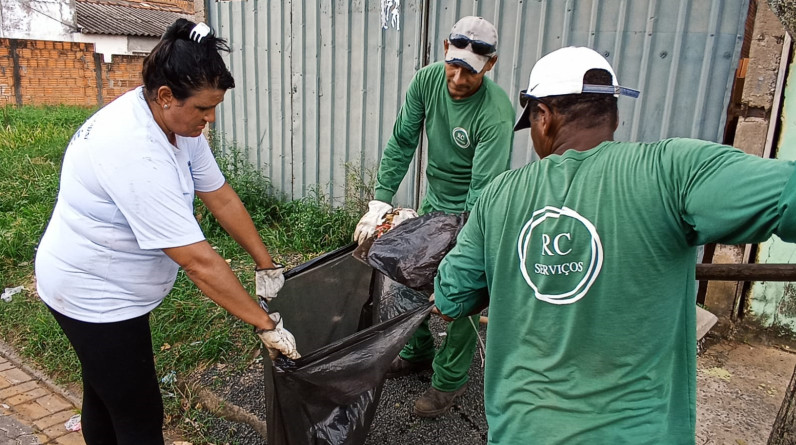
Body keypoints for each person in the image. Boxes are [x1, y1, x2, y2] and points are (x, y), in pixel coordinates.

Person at [433, 46, 796, 444]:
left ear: (543, 116)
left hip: (525, 432)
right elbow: (786, 196)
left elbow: (452, 299)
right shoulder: (672, 170)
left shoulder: (499, 195)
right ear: (616, 115)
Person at [34, 19, 299, 445]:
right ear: (164, 96)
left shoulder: (177, 123)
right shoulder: (133, 150)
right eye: (203, 108)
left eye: (214, 107)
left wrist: (265, 263)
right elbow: (197, 261)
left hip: (113, 288)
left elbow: (219, 194)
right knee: (139, 414)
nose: (209, 119)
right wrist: (265, 324)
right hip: (92, 293)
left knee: (105, 394)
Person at [353, 16, 515, 417]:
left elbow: (483, 191)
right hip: (434, 202)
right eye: (454, 65)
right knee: (407, 275)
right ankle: (418, 349)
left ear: (490, 65)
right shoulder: (427, 81)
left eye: (470, 71)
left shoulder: (495, 113)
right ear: (445, 48)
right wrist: (380, 201)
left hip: (473, 211)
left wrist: (464, 250)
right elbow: (402, 141)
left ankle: (449, 381)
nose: (458, 79)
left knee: (458, 294)